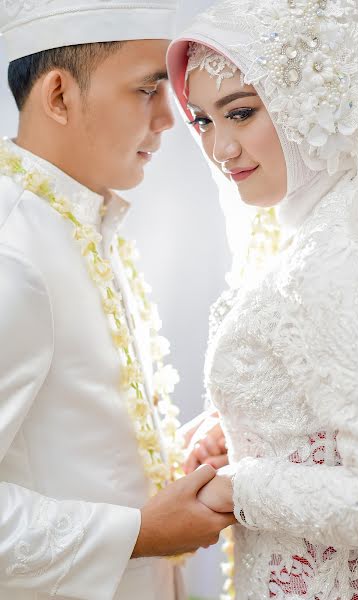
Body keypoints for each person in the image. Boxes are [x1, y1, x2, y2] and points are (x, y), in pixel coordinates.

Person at [0, 1, 236, 599]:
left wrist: (174, 462)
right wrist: (136, 533)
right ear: (58, 95)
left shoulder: (78, 219)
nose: (169, 117)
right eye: (147, 88)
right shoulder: (12, 248)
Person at [167, 0, 358, 597]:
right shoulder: (324, 231)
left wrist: (237, 488)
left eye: (239, 112)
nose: (221, 149)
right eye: (203, 121)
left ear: (311, 100)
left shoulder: (340, 260)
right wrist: (241, 426)